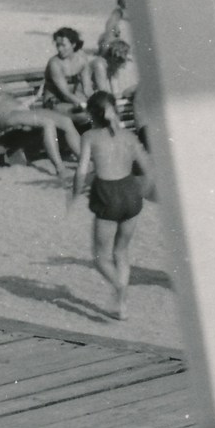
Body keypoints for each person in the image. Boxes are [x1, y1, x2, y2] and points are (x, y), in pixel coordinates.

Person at [68, 90, 153, 320]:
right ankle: (121, 307)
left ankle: (119, 287)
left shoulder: (89, 137)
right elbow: (147, 169)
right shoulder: (129, 137)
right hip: (130, 193)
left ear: (91, 116)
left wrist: (74, 194)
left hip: (108, 194)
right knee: (122, 252)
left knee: (100, 257)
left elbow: (82, 171)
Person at [0, 45, 82, 177]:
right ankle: (60, 169)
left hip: (19, 111)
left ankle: (83, 160)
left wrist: (35, 98)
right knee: (47, 123)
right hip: (6, 117)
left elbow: (7, 99)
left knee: (65, 121)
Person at [44, 27, 93, 117]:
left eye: (63, 45)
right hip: (54, 102)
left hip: (72, 101)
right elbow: (65, 93)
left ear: (73, 44)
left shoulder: (82, 60)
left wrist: (95, 102)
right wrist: (85, 104)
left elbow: (87, 88)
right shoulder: (54, 63)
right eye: (57, 45)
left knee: (99, 112)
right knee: (85, 116)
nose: (59, 49)